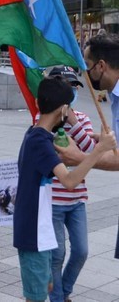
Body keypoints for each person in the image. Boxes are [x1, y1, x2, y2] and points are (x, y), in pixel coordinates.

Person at [13, 76, 115, 302]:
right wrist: (99, 151)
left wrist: (90, 143)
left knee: (43, 288)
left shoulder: (36, 135)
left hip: (37, 229)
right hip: (33, 233)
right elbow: (69, 181)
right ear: (63, 110)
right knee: (36, 296)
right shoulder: (39, 141)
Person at [32, 66, 97, 302]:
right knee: (57, 254)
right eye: (66, 87)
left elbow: (90, 153)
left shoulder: (82, 119)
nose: (71, 92)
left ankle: (64, 291)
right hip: (54, 199)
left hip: (77, 198)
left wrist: (73, 122)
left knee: (81, 251)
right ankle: (57, 298)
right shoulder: (43, 121)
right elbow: (45, 155)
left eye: (74, 87)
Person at [82, 33, 119, 260]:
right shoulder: (114, 97)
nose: (87, 73)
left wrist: (78, 160)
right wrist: (101, 139)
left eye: (88, 66)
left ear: (101, 65)